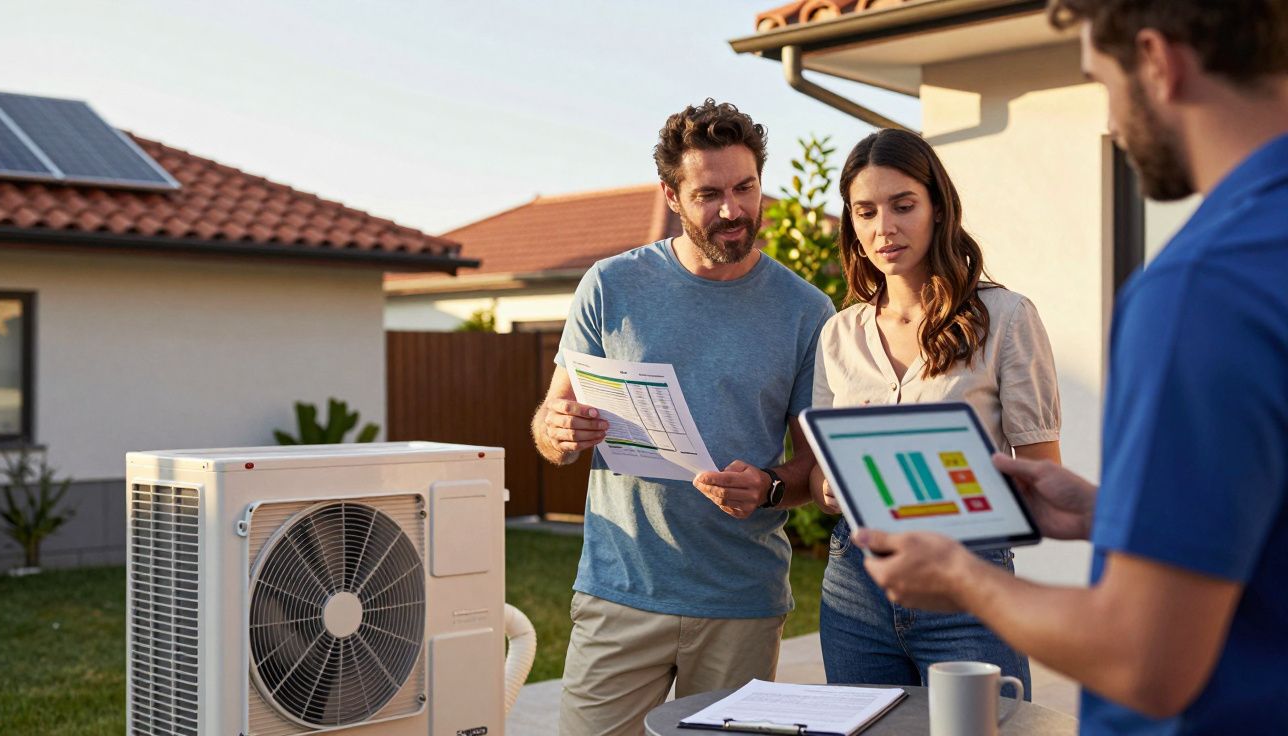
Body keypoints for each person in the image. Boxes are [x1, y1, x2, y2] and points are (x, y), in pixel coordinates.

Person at [852, 1, 1288, 733]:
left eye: (1102, 82)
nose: (1114, 123)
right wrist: (1109, 511)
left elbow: (1143, 659)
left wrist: (962, 578)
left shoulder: (1203, 285)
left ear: (1158, 59)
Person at [531, 98, 835, 736]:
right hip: (622, 590)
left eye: (746, 187)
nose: (733, 209)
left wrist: (771, 486)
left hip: (740, 601)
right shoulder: (610, 286)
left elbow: (815, 468)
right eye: (710, 193)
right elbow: (551, 420)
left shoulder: (806, 309)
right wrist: (558, 432)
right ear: (672, 194)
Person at [810, 128, 1060, 697]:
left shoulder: (1007, 318)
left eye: (903, 206)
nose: (884, 228)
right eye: (865, 212)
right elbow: (823, 468)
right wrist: (829, 484)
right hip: (857, 578)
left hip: (967, 575)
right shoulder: (838, 333)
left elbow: (1045, 474)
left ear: (938, 208)